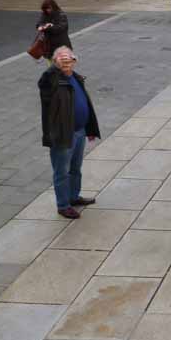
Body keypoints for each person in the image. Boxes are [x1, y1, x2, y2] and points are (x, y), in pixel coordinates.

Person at [39, 47, 100, 219]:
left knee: (75, 169)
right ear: (55, 62)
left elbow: (85, 103)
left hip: (79, 131)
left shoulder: (76, 77)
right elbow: (44, 82)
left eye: (69, 60)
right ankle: (63, 205)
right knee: (62, 171)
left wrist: (89, 128)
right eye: (62, 60)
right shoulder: (51, 80)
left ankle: (73, 196)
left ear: (75, 61)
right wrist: (54, 67)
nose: (66, 63)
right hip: (63, 134)